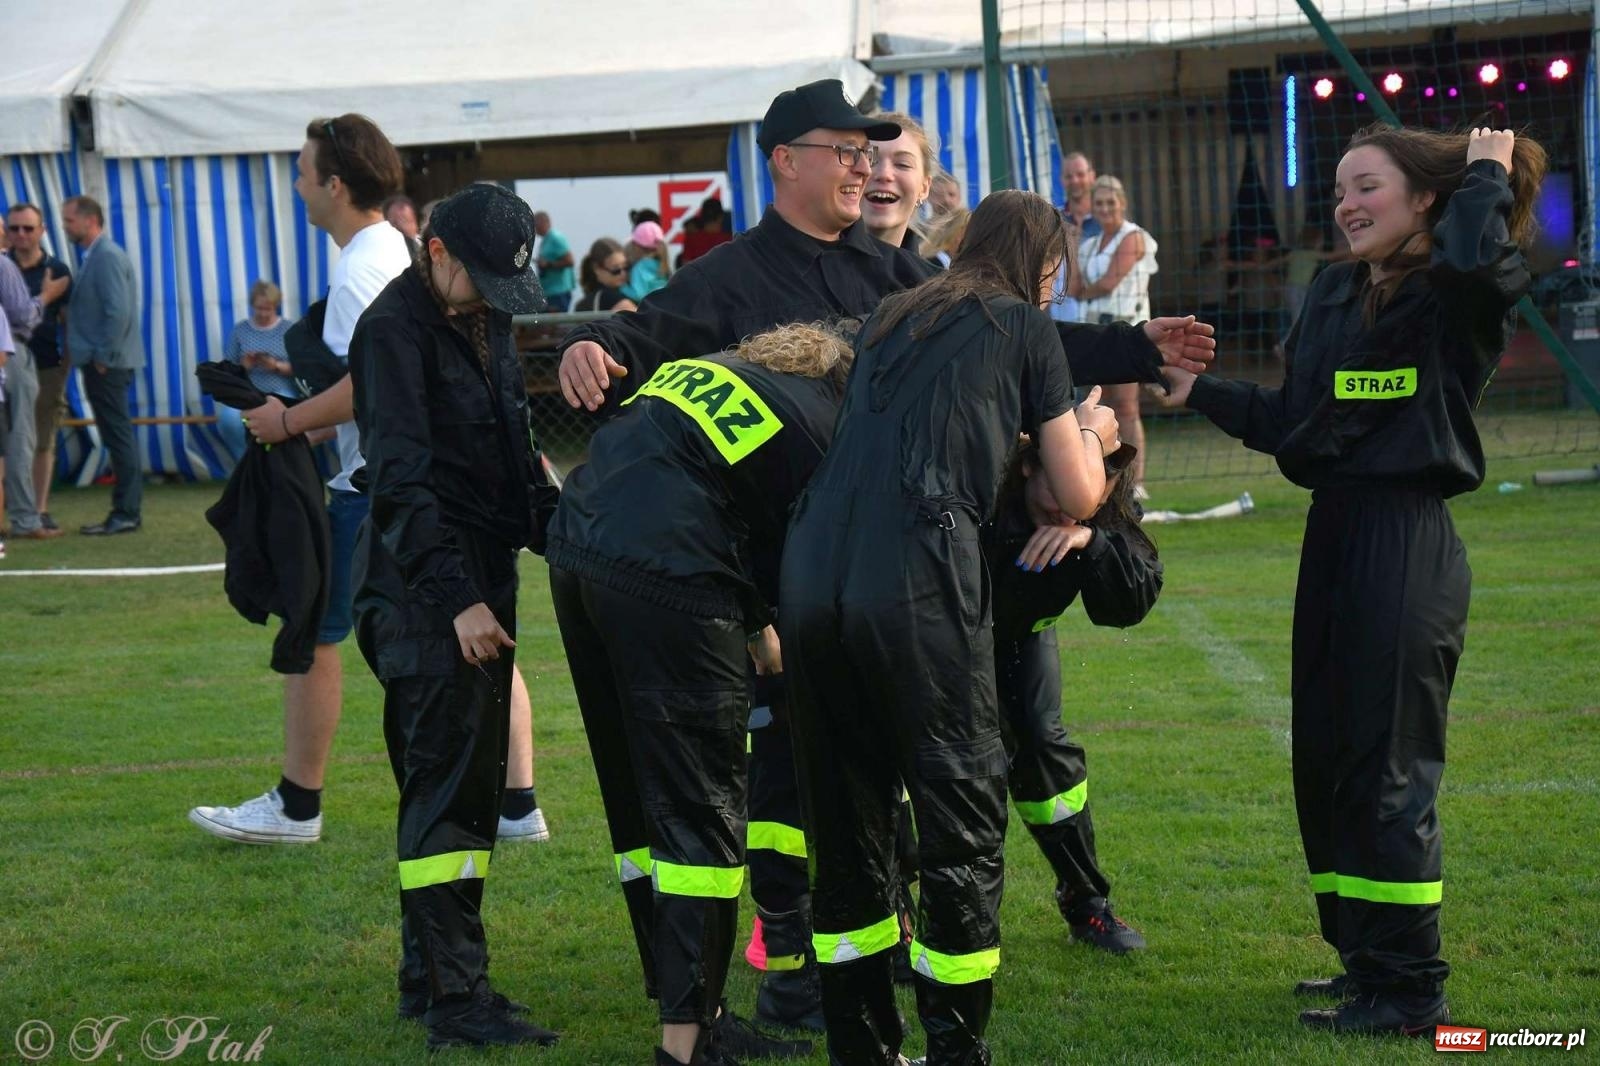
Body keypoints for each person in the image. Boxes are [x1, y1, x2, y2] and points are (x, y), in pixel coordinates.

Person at [1165, 126, 1545, 1037]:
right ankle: (1366, 960)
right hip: (1332, 532)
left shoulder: (1459, 292)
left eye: (1367, 186)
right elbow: (1299, 425)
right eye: (1338, 190)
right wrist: (1197, 391)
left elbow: (1473, 265)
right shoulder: (1334, 291)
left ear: (1427, 199)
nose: (1346, 205)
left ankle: (1412, 993)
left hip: (1406, 540)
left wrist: (1485, 175)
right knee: (1331, 762)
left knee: (1387, 768)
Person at [778, 190, 1121, 1066]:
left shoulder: (893, 314)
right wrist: (1095, 430)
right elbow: (1078, 492)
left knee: (847, 822)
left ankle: (861, 1049)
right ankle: (955, 1051)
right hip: (916, 572)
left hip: (812, 566)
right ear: (1043, 266)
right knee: (960, 814)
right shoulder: (1025, 326)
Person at [546, 323, 857, 1066]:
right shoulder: (822, 418)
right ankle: (686, 1047)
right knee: (703, 812)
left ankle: (697, 1007)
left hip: (576, 553)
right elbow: (803, 552)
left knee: (637, 799)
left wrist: (751, 624)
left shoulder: (702, 371)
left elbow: (701, 487)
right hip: (672, 581)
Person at [349, 181, 558, 1052]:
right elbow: (399, 484)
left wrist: (558, 528)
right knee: (449, 799)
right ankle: (457, 999)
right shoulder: (389, 333)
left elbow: (511, 445)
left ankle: (427, 980)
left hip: (482, 576)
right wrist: (458, 600)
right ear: (435, 253)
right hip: (424, 595)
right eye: (483, 283)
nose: (495, 305)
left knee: (463, 788)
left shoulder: (486, 315)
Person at [188, 113, 411, 844]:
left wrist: (287, 421)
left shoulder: (359, 269)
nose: (295, 183)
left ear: (334, 184)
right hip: (410, 475)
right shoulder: (393, 247)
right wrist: (308, 425)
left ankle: (296, 805)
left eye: (302, 171)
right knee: (469, 630)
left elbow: (370, 383)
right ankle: (516, 804)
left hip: (374, 487)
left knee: (312, 630)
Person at [986, 440, 1160, 954]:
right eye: (1060, 485)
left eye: (1085, 490)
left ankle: (1087, 904)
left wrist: (1093, 542)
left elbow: (1131, 600)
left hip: (1023, 638)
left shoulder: (1099, 508)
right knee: (953, 770)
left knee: (1045, 749)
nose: (1072, 504)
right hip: (942, 642)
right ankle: (903, 916)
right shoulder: (981, 491)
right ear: (1027, 465)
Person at [1068, 175, 1159, 494]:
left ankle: (1136, 482)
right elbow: (1074, 288)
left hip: (1126, 330)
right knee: (1098, 405)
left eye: (1111, 202)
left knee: (1127, 406)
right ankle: (1106, 480)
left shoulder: (1134, 237)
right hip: (1096, 331)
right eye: (1099, 203)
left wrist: (1087, 291)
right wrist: (1073, 246)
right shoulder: (1090, 244)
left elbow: (1109, 282)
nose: (1105, 208)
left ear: (1122, 203)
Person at [62, 195, 143, 536]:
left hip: (108, 364)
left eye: (69, 220)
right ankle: (125, 510)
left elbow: (117, 312)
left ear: (90, 220)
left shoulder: (106, 256)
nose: (65, 226)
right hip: (105, 361)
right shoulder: (97, 255)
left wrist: (103, 357)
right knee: (116, 434)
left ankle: (126, 512)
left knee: (118, 435)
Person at [6, 203, 73, 529]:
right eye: (14, 228)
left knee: (42, 438)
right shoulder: (5, 265)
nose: (20, 234)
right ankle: (20, 513)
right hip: (9, 362)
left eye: (28, 228)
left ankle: (39, 508)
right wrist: (44, 297)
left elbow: (69, 323)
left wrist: (64, 368)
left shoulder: (57, 269)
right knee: (12, 439)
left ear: (42, 231)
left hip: (45, 364)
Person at [215, 280, 296, 461]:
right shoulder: (241, 330)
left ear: (276, 306)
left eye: (268, 309)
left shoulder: (288, 329)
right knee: (229, 420)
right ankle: (247, 460)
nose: (263, 313)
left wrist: (276, 366)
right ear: (252, 305)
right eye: (259, 308)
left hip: (281, 391)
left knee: (281, 418)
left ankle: (278, 463)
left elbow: (301, 367)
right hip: (248, 391)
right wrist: (244, 366)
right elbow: (228, 369)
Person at [859, 110, 934, 253]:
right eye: (869, 160)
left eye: (902, 164)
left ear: (924, 187)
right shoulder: (814, 264)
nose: (884, 174)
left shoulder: (937, 269)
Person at [1050, 151, 1100, 325]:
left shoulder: (1108, 220)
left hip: (1102, 316)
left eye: (1080, 174)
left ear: (1092, 176)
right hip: (1062, 318)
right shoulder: (1052, 220)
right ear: (1062, 181)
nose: (1075, 180)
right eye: (1069, 176)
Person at [576, 237, 638, 313]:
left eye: (626, 267)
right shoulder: (612, 298)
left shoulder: (584, 303)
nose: (623, 273)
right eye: (616, 269)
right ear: (597, 269)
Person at [534, 211, 575, 312]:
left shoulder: (556, 238)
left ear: (546, 222)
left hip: (559, 291)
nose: (535, 228)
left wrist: (548, 264)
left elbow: (570, 261)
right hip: (549, 291)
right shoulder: (546, 240)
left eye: (537, 224)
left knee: (556, 321)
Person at [621, 221, 672, 303]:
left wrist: (621, 287)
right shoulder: (662, 265)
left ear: (636, 246)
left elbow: (638, 295)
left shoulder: (639, 268)